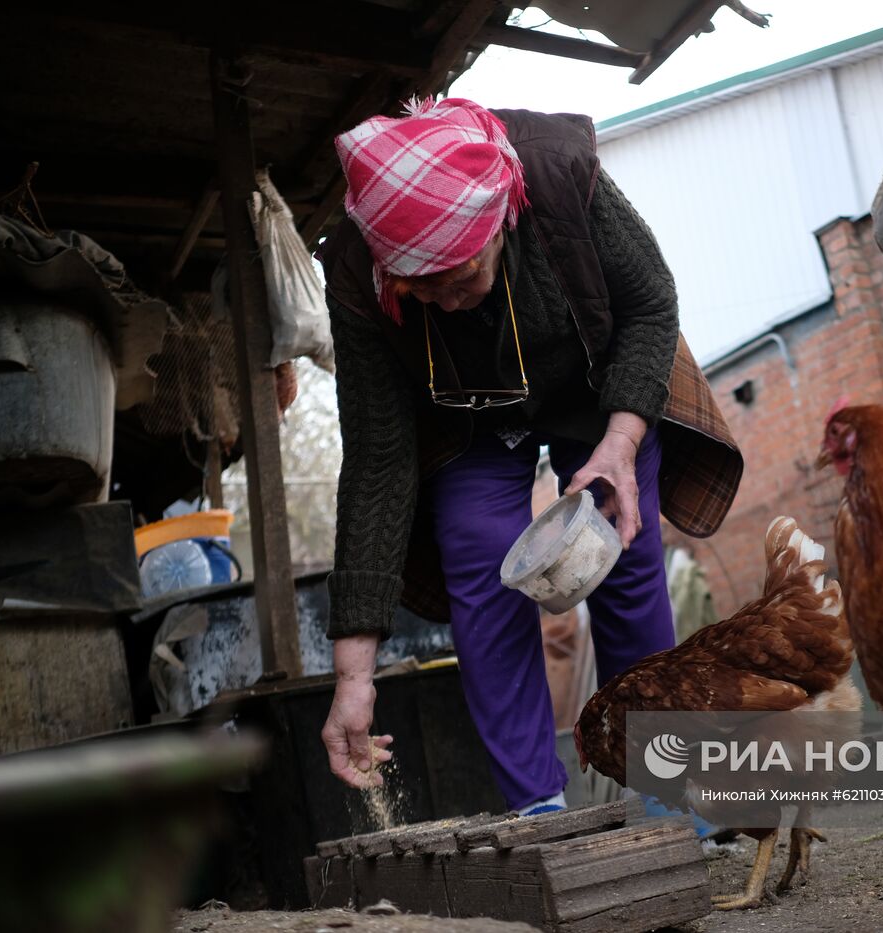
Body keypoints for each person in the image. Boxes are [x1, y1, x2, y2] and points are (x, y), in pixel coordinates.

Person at [316, 97, 743, 814]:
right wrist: (353, 677)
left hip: (599, 383)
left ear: (502, 222)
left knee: (623, 551)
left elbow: (649, 303)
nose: (445, 304)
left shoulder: (554, 170)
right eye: (420, 291)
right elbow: (379, 459)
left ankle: (669, 795)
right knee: (477, 554)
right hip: (468, 422)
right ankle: (536, 807)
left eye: (461, 278)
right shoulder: (358, 270)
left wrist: (620, 441)